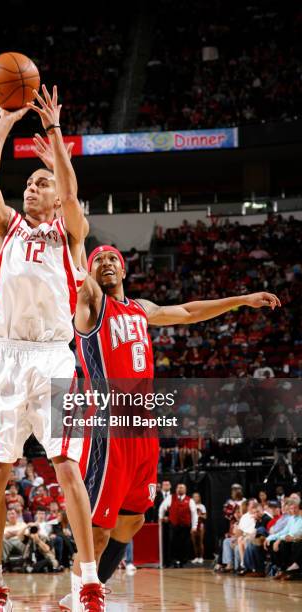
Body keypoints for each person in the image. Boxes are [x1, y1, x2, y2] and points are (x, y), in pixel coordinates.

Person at [59, 240, 280, 608]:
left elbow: (190, 312)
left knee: (130, 522)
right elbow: (77, 250)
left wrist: (241, 299)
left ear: (126, 269)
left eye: (114, 257)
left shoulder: (141, 309)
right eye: (99, 260)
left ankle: (89, 590)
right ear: (89, 272)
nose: (107, 262)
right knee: (97, 530)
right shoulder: (91, 305)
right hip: (109, 427)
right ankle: (81, 592)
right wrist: (73, 226)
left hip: (144, 428)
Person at [0, 85, 104, 612]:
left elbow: (72, 195)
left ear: (56, 196)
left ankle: (89, 581)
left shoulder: (71, 235)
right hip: (3, 357)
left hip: (53, 358)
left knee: (67, 466)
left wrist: (54, 137)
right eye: (29, 181)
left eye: (41, 182)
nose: (33, 187)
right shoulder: (6, 226)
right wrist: (2, 124)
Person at [191, 492, 207, 564]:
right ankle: (196, 557)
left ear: (199, 498)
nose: (196, 498)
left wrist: (199, 515)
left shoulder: (202, 506)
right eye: (194, 497)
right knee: (194, 542)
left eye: (197, 496)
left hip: (200, 525)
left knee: (200, 541)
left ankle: (201, 557)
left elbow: (205, 517)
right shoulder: (191, 505)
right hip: (193, 525)